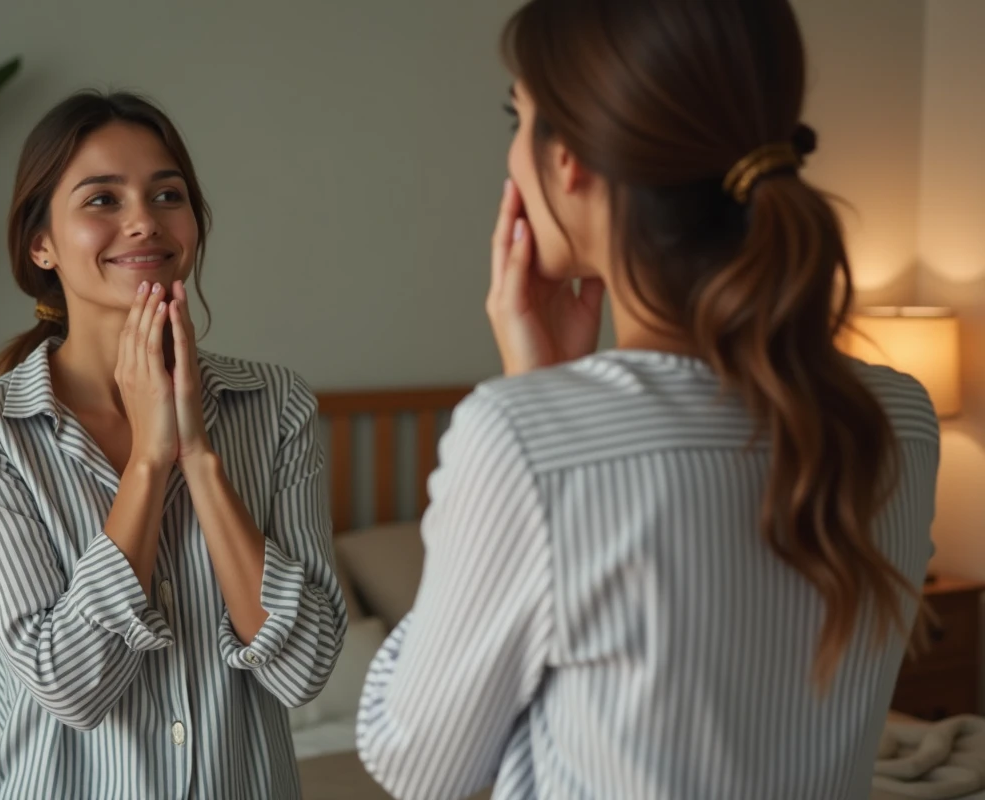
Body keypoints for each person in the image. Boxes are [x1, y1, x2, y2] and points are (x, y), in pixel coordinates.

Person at [355, 1, 938, 798]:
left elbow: (421, 767)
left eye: (516, 117)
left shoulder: (522, 439)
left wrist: (533, 395)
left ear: (569, 163)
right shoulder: (902, 420)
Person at [0, 91, 346, 800]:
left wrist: (200, 460)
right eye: (102, 200)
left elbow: (302, 671)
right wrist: (149, 464)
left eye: (167, 194)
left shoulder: (276, 407)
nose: (145, 221)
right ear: (41, 243)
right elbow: (71, 685)